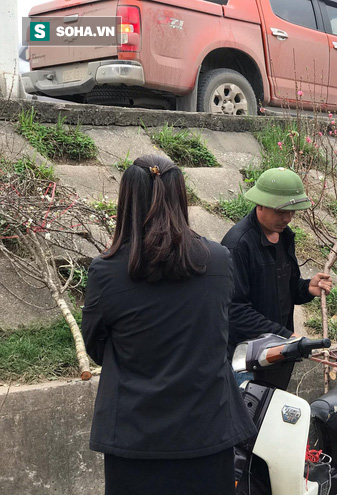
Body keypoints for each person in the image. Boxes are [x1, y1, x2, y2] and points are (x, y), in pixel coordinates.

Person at [82, 155, 256, 495]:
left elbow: (96, 347)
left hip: (135, 435)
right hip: (208, 429)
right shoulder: (219, 260)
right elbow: (218, 332)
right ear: (181, 196)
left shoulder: (106, 271)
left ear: (126, 199)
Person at [221, 167, 332, 388]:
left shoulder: (283, 237)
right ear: (260, 204)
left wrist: (305, 288)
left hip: (278, 357)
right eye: (281, 211)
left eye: (292, 212)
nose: (287, 218)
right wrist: (287, 337)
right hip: (248, 362)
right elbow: (235, 311)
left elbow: (285, 289)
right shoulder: (238, 245)